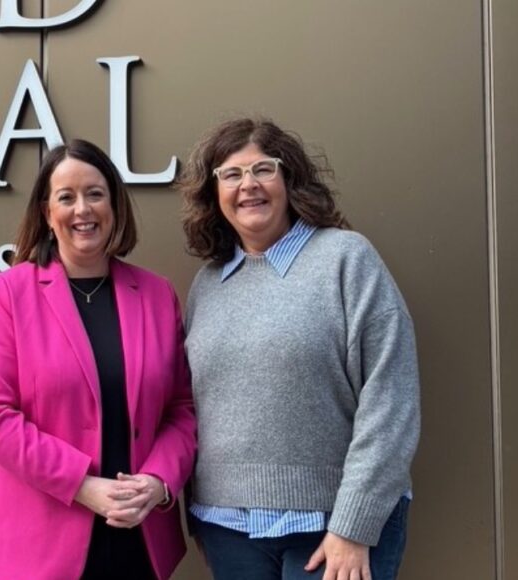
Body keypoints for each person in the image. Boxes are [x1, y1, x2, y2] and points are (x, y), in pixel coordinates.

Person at [177, 118, 420, 580]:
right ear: (214, 193)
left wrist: (354, 525)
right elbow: (197, 405)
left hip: (334, 525)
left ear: (289, 179)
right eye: (231, 174)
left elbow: (391, 399)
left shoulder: (347, 259)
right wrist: (199, 516)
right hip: (228, 527)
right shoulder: (207, 284)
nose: (248, 185)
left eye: (263, 169)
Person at [0, 139, 198, 580]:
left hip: (137, 538)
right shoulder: (8, 294)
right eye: (66, 197)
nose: (82, 209)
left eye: (95, 194)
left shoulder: (156, 295)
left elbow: (181, 409)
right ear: (47, 213)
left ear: (114, 206)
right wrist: (81, 484)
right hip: (37, 545)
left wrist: (159, 482)